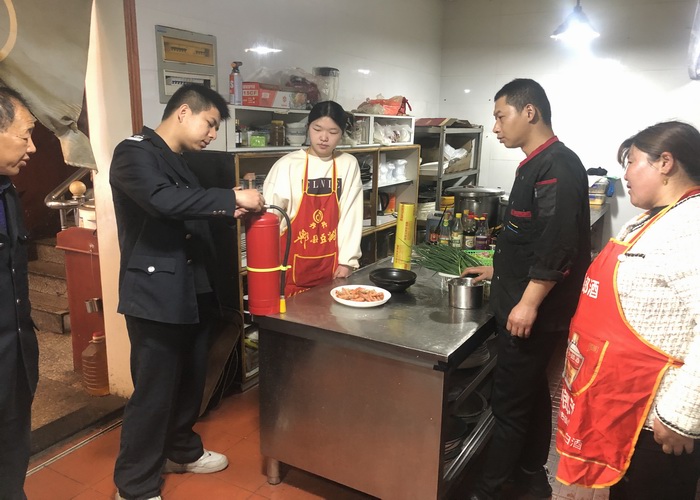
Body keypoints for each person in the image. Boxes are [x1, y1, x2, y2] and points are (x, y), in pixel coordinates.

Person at [110, 83, 264, 500]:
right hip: (155, 292)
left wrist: (227, 209)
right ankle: (134, 485)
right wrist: (230, 196)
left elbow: (189, 208)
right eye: (209, 124)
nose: (212, 134)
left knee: (191, 380)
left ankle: (180, 450)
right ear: (183, 112)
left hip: (192, 287)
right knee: (155, 391)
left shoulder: (177, 160)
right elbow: (162, 201)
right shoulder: (134, 153)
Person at [556, 121, 700, 500]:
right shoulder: (655, 216)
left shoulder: (692, 225)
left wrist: (681, 416)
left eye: (631, 162)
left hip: (657, 419)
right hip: (624, 405)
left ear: (665, 162)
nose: (625, 175)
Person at [462, 78, 591, 500]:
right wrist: (496, 269)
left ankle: (487, 491)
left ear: (529, 112)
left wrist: (529, 302)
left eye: (501, 116)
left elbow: (557, 244)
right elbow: (529, 237)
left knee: (508, 406)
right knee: (531, 394)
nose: (496, 127)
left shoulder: (556, 166)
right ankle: (531, 476)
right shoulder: (535, 163)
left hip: (533, 313)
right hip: (520, 297)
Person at [262, 100, 363, 296]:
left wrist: (347, 261)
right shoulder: (287, 165)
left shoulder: (348, 164)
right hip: (289, 266)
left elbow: (352, 215)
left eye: (333, 132)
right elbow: (270, 217)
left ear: (342, 133)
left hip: (332, 266)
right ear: (308, 128)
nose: (324, 138)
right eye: (317, 129)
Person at [0, 87, 38, 500]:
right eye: (25, 134)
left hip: (15, 357)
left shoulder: (7, 192)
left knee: (12, 457)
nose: (32, 147)